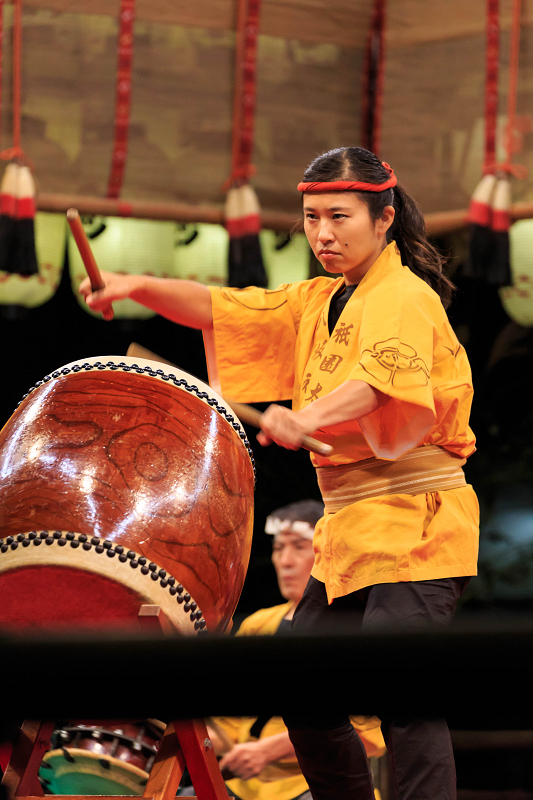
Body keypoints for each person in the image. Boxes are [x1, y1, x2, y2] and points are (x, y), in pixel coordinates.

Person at [80, 146, 479, 800]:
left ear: (383, 219)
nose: (322, 233)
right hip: (351, 532)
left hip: (417, 526)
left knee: (396, 685)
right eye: (311, 216)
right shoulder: (318, 301)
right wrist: (133, 287)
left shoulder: (401, 294)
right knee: (304, 687)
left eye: (339, 216)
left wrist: (307, 417)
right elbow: (224, 308)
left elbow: (380, 382)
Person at [205, 500, 385, 800]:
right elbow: (229, 723)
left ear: (326, 552)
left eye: (300, 547)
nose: (286, 561)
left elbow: (368, 730)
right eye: (278, 548)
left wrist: (269, 749)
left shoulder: (353, 627)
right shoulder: (258, 625)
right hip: (244, 785)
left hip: (315, 784)